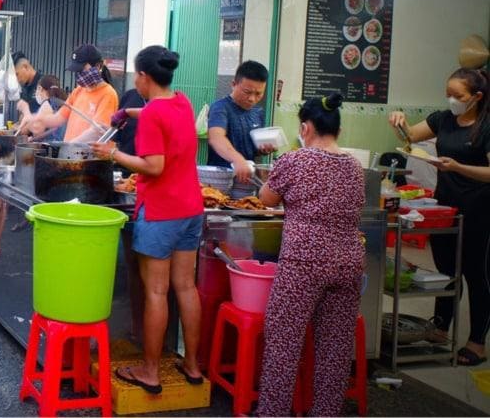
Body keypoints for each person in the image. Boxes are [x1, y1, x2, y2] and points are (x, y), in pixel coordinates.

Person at [90, 46, 203, 395]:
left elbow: (154, 166)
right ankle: (192, 364)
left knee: (156, 291)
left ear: (144, 77)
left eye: (136, 75)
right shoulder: (181, 101)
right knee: (185, 287)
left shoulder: (154, 116)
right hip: (191, 209)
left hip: (161, 211)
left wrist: (114, 153)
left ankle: (150, 371)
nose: (134, 79)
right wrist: (127, 112)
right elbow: (156, 110)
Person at [257, 93, 364, 416]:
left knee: (283, 345)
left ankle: (272, 413)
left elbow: (267, 200)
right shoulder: (355, 166)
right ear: (338, 130)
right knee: (335, 350)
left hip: (304, 264)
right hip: (348, 263)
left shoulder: (295, 160)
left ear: (305, 128)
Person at [388, 67, 490, 366]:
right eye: (448, 94)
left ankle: (477, 342)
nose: (451, 100)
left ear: (477, 97)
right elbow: (409, 138)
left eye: (458, 96)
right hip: (445, 208)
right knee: (445, 272)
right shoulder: (443, 119)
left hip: (479, 209)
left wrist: (457, 167)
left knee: (477, 273)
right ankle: (441, 329)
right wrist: (399, 121)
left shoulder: (485, 126)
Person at [26, 44, 118, 143]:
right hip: (70, 155)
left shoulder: (108, 94)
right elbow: (59, 118)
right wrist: (36, 119)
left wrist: (69, 145)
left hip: (88, 157)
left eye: (81, 69)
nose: (78, 74)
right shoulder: (78, 91)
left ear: (98, 66)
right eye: (76, 71)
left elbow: (97, 132)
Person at [207, 61, 272, 183]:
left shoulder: (258, 113)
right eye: (247, 92)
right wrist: (237, 159)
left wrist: (263, 148)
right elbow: (216, 138)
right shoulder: (220, 108)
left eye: (258, 93)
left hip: (247, 181)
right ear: (233, 84)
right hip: (220, 180)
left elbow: (252, 149)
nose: (252, 99)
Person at [13, 51, 42, 118]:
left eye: (17, 74)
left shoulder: (45, 83)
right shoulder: (23, 88)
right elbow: (22, 116)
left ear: (25, 67)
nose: (16, 79)